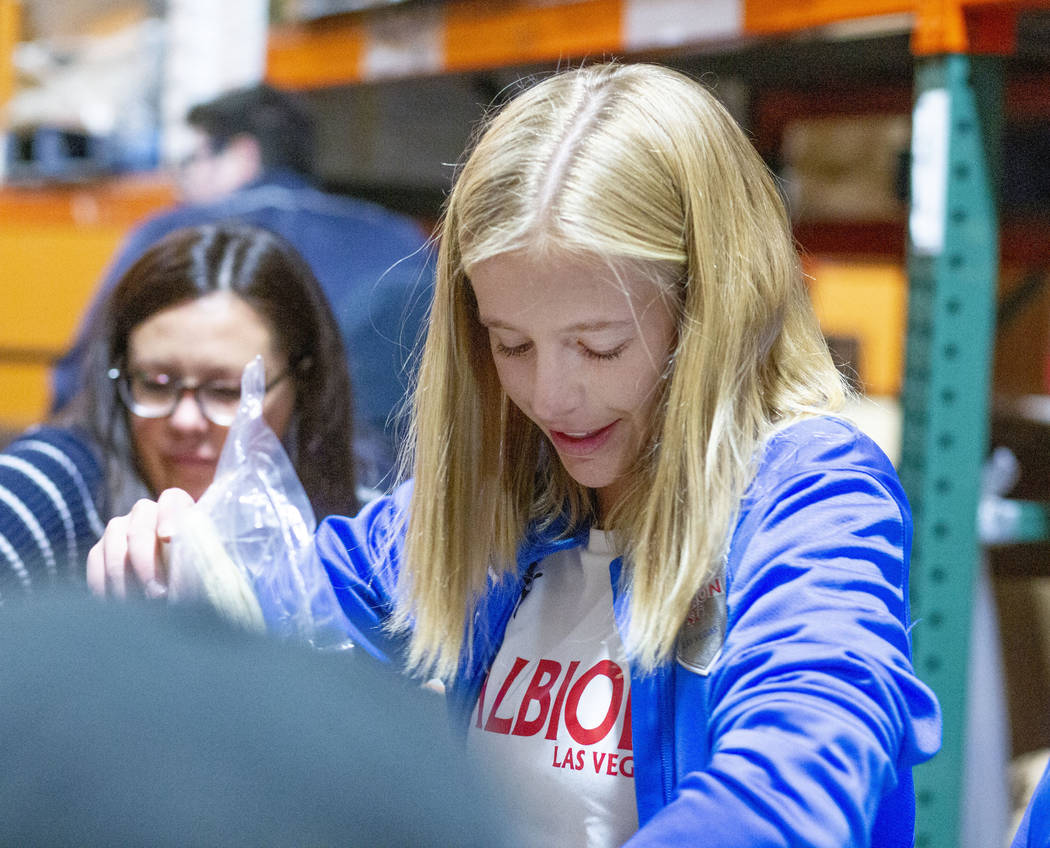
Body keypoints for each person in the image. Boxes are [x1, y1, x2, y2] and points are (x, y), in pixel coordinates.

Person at [88, 62, 942, 846]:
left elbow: (799, 772)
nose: (550, 397)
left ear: (714, 312)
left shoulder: (813, 494)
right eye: (510, 344)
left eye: (599, 346)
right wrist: (185, 565)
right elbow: (307, 594)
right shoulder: (522, 492)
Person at [51, 82, 434, 487]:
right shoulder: (400, 238)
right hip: (379, 506)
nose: (182, 184)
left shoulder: (171, 236)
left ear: (241, 154)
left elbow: (80, 384)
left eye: (191, 160)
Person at [0, 222, 356, 600]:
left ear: (303, 384)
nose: (185, 420)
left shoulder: (362, 524)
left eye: (226, 391)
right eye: (155, 383)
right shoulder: (59, 479)